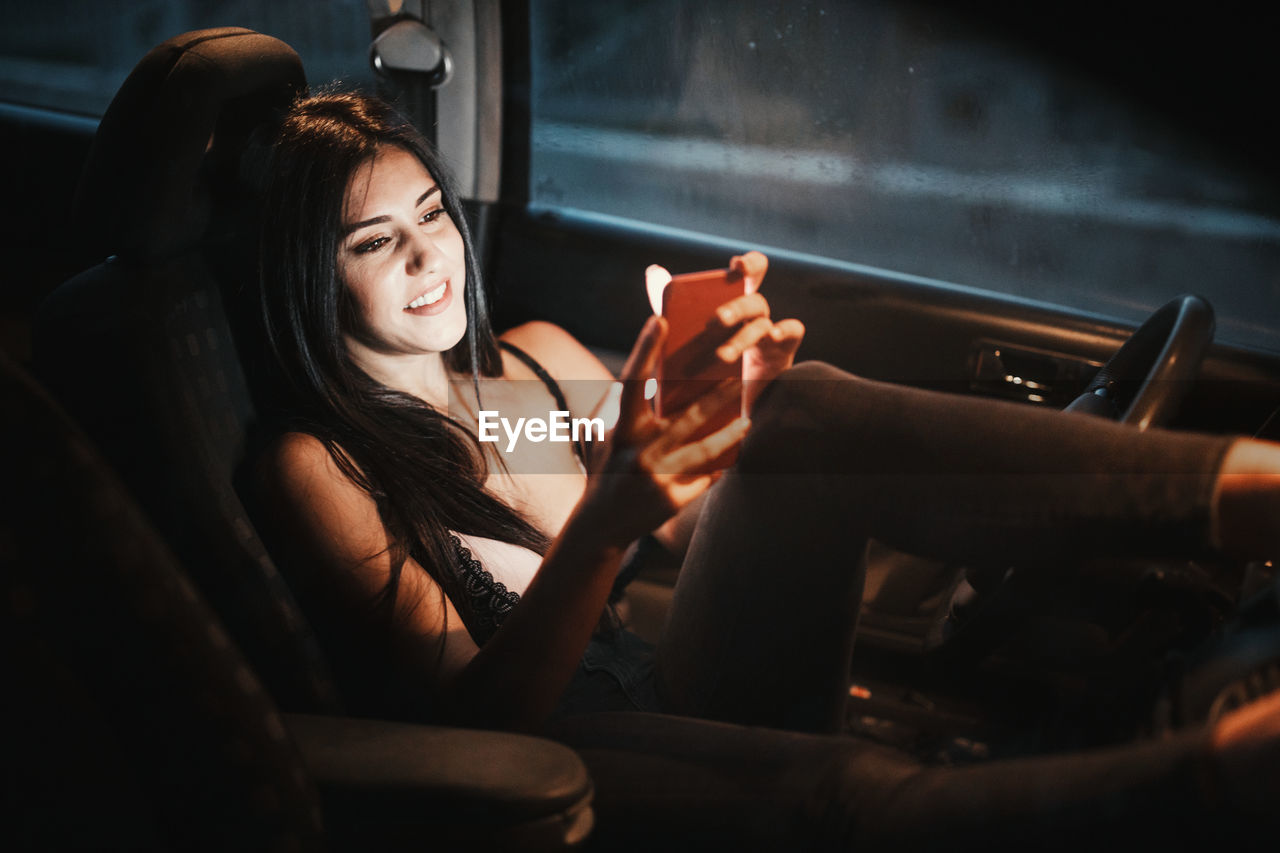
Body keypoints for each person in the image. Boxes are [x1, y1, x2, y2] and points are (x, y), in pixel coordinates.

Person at [251, 91, 1280, 849]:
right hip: (562, 762)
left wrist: (738, 424)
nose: (429, 257)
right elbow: (486, 726)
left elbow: (694, 531)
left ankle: (1253, 494)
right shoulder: (320, 465)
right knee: (848, 783)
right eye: (375, 243)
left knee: (804, 410)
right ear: (313, 277)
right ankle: (1223, 772)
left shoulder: (541, 363)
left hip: (675, 672)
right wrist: (606, 520)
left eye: (433, 214)